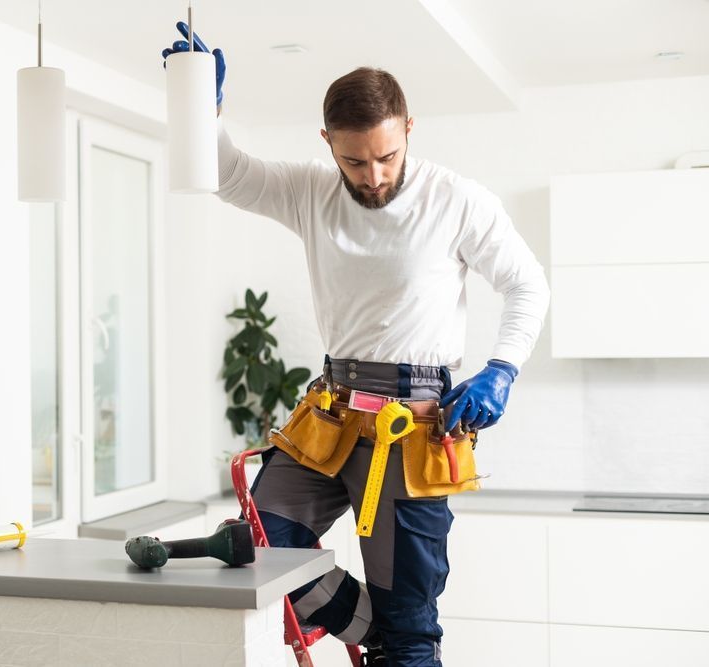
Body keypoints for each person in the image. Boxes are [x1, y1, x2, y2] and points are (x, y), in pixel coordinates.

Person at [164, 23, 549, 667]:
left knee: (413, 625)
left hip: (413, 422)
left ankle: (403, 637)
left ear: (407, 130)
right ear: (327, 144)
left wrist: (502, 368)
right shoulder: (311, 191)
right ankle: (384, 633)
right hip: (333, 412)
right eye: (355, 160)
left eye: (387, 156)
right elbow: (228, 175)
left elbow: (526, 285)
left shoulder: (456, 201)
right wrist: (207, 110)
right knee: (262, 544)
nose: (373, 175)